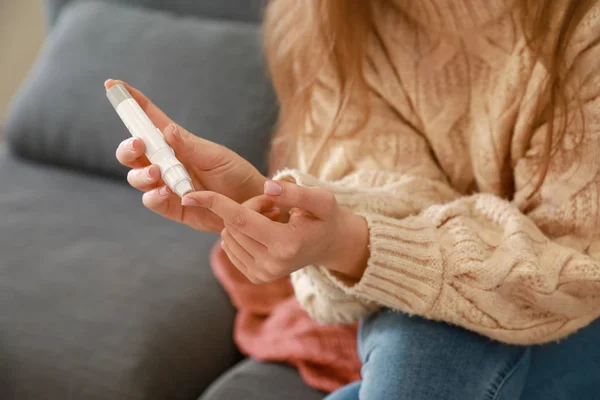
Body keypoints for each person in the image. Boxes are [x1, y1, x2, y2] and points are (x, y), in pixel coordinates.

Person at [111, 0, 600, 398]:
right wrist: (280, 209)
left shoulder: (582, 25)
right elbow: (396, 201)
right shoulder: (325, 19)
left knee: (430, 333)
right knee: (430, 325)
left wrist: (353, 238)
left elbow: (574, 271)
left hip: (580, 306)